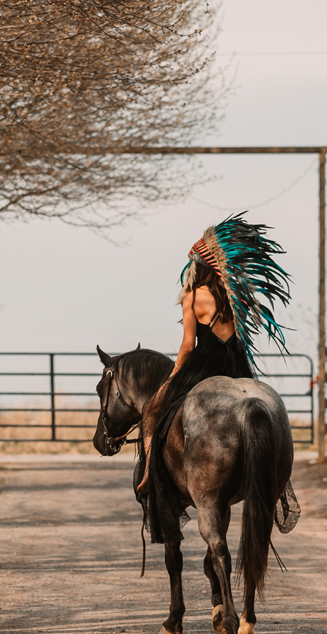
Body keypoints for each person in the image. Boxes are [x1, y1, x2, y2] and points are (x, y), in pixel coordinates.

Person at [134, 215, 292, 529]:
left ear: (198, 266)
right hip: (237, 366)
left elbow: (188, 346)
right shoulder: (237, 296)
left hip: (204, 367)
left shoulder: (193, 297)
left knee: (153, 412)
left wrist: (174, 373)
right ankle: (277, 483)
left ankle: (151, 476)